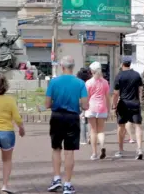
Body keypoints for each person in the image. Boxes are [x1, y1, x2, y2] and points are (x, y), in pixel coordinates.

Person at [45, 56, 89, 194]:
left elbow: (47, 104)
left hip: (57, 116)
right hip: (72, 117)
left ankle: (56, 178)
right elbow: (85, 105)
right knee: (69, 151)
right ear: (73, 67)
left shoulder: (53, 82)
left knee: (56, 148)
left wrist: (55, 104)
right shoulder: (80, 83)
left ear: (62, 67)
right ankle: (67, 184)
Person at [112, 56, 144, 160]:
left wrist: (114, 105)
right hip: (135, 103)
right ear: (130, 64)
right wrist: (140, 101)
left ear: (122, 64)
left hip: (123, 103)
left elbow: (116, 93)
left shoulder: (119, 75)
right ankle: (139, 149)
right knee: (138, 126)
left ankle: (121, 150)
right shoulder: (136, 75)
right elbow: (140, 90)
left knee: (121, 126)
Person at [84, 62, 110, 160]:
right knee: (101, 131)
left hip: (91, 108)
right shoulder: (105, 82)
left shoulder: (89, 83)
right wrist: (108, 109)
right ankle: (102, 146)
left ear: (92, 71)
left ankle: (94, 153)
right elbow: (107, 97)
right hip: (102, 108)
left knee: (93, 131)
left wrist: (83, 109)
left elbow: (86, 97)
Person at [76, 67, 92, 145]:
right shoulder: (90, 82)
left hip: (80, 102)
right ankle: (90, 137)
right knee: (88, 120)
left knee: (82, 120)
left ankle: (83, 140)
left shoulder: (78, 83)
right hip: (89, 102)